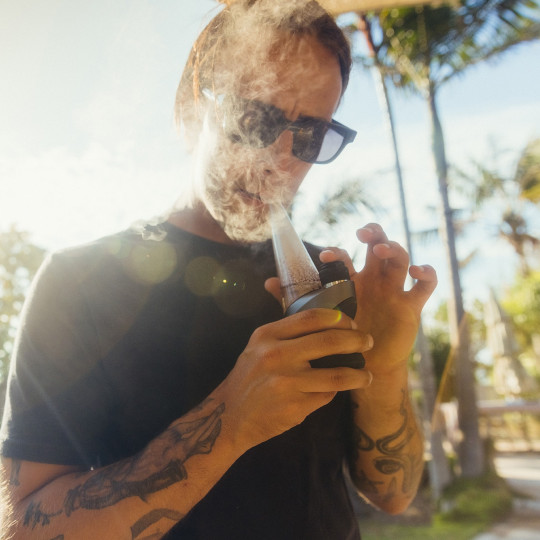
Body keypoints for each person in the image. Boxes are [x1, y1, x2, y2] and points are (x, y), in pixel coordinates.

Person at [0, 1, 437, 538]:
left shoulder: (331, 282)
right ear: (192, 107)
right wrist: (230, 421)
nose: (279, 158)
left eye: (308, 135)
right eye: (255, 119)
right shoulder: (79, 283)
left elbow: (394, 494)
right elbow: (23, 525)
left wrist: (386, 367)